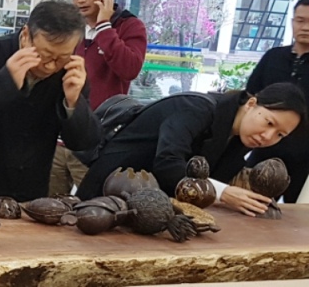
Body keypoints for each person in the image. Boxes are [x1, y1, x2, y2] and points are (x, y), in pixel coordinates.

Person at [0, 0, 102, 203]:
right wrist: (5, 81)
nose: (50, 66)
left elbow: (83, 142)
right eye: (44, 54)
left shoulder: (70, 71)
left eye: (62, 57)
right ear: (26, 35)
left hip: (30, 192)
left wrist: (74, 103)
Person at [76, 83, 306, 216]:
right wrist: (223, 193)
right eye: (269, 122)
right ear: (251, 104)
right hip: (107, 196)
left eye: (280, 135)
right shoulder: (197, 108)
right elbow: (168, 162)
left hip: (148, 208)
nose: (268, 137)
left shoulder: (237, 140)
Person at [48, 0, 147, 196]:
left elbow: (130, 69)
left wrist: (104, 26)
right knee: (46, 208)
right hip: (59, 138)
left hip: (99, 141)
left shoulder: (129, 26)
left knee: (94, 209)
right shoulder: (70, 26)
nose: (80, 0)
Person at [244, 0, 309, 203]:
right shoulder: (273, 57)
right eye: (300, 20)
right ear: (292, 22)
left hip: (304, 158)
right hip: (262, 150)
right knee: (245, 206)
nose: (305, 27)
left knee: (295, 221)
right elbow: (250, 95)